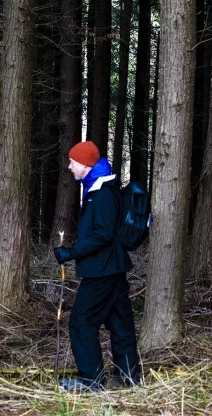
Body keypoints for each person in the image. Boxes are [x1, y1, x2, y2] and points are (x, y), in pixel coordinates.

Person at [54, 141, 141, 392]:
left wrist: (70, 253)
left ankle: (91, 379)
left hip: (101, 272)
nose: (69, 166)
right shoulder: (99, 189)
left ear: (84, 164)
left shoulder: (102, 194)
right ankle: (128, 376)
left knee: (81, 322)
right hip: (111, 269)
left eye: (72, 161)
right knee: (120, 323)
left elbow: (102, 235)